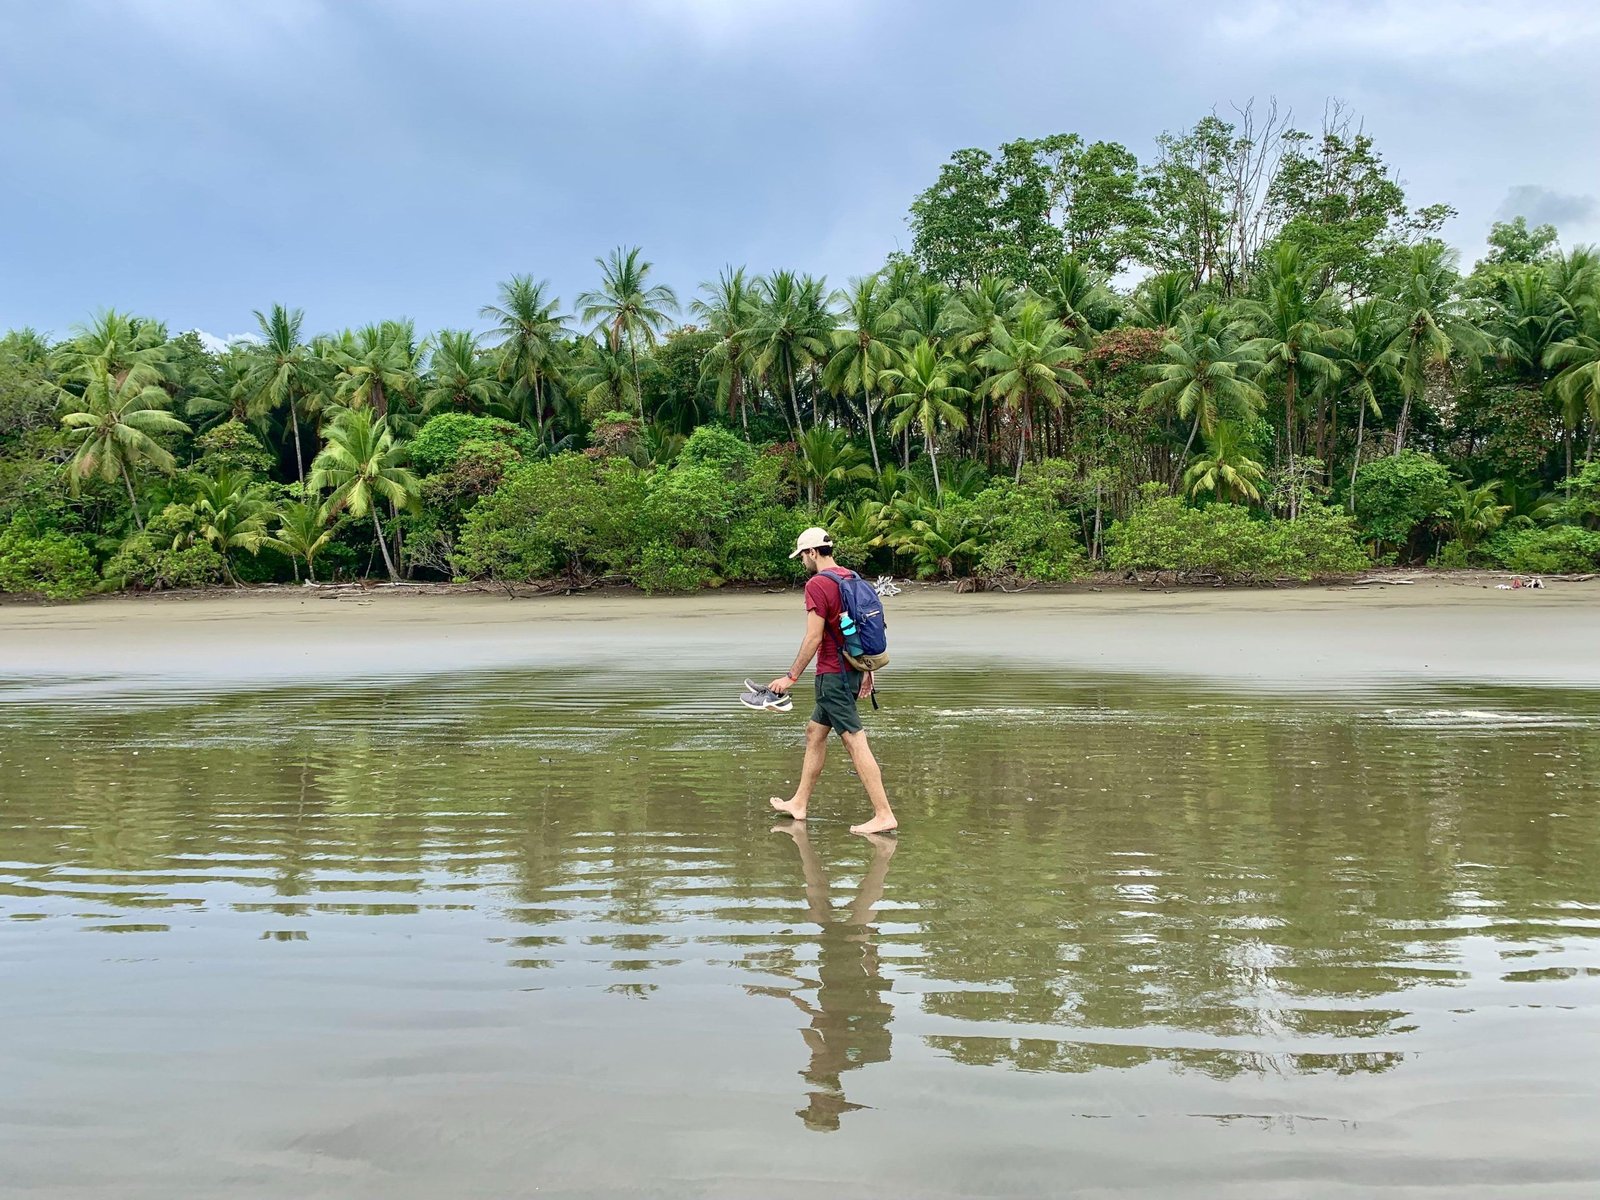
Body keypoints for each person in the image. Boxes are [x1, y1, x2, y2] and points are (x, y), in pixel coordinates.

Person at [767, 527, 897, 835]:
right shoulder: (851, 577)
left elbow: (814, 637)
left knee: (854, 740)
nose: (802, 562)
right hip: (851, 670)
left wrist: (790, 677)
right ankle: (799, 802)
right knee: (814, 732)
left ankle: (884, 813)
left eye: (802, 556)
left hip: (833, 675)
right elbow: (864, 628)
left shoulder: (818, 584)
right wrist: (867, 670)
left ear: (812, 553)